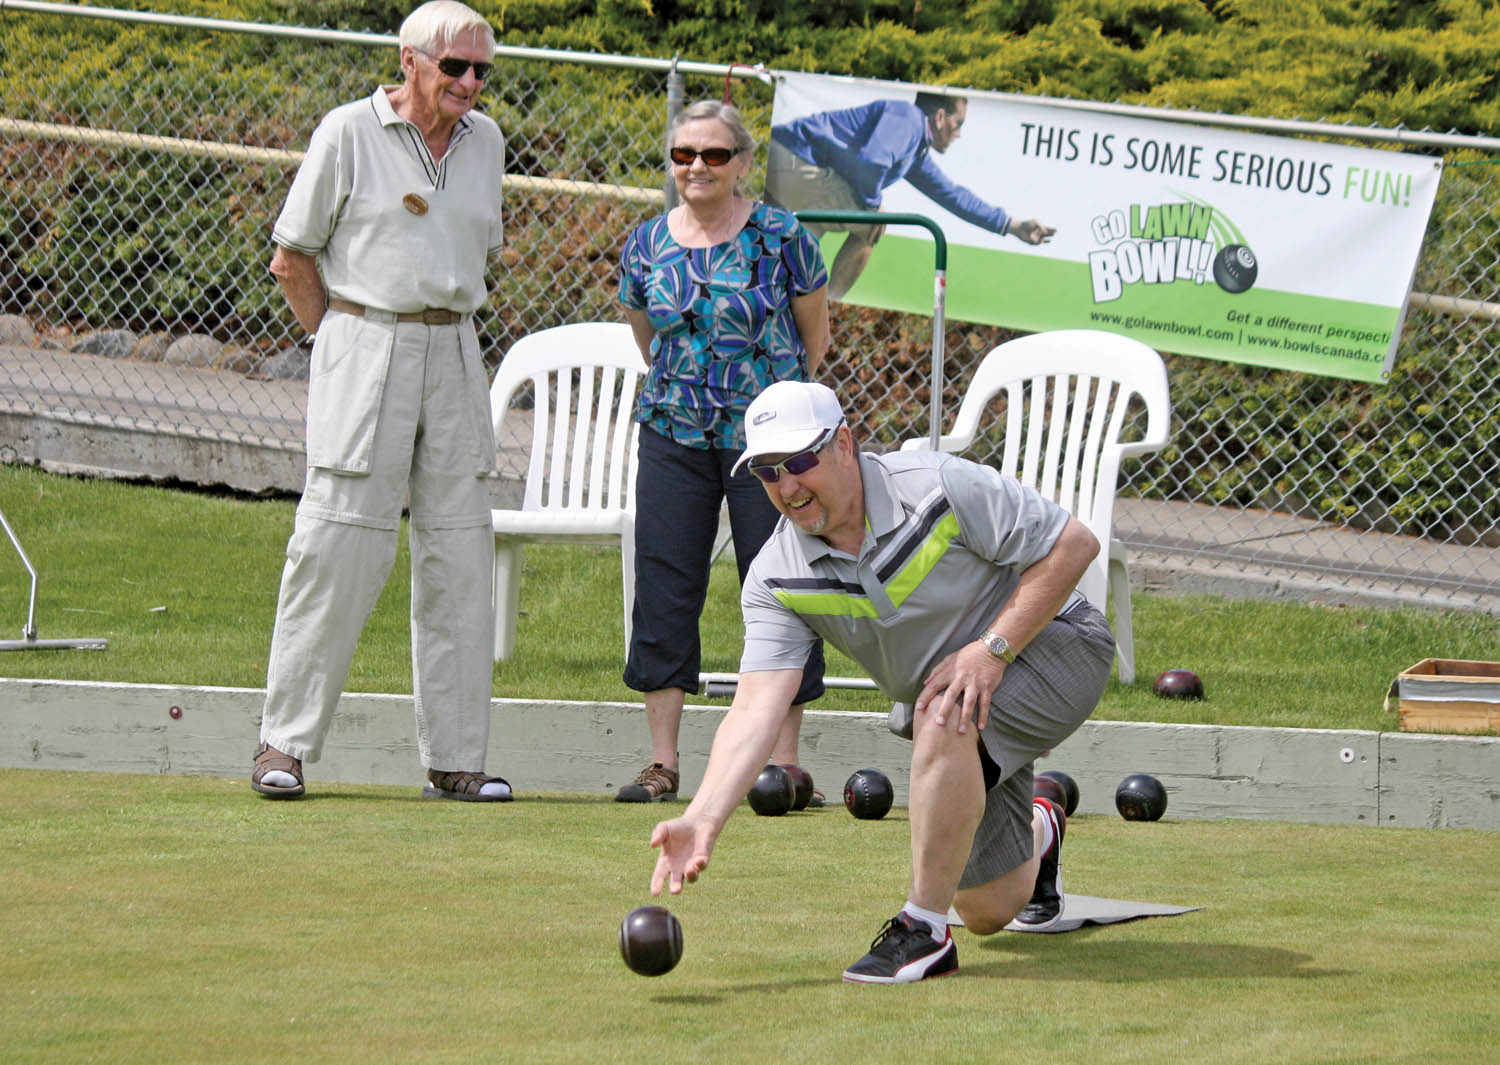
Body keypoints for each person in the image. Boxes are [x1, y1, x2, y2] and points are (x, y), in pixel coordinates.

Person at [647, 380, 1115, 983]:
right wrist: (704, 819)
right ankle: (1041, 824)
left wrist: (991, 651)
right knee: (988, 909)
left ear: (843, 443)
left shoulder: (939, 486)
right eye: (767, 472)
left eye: (799, 461)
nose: (787, 486)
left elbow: (1075, 545)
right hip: (964, 704)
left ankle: (922, 929)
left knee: (941, 713)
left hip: (1056, 648)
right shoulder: (775, 577)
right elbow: (756, 708)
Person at [250, 0, 512, 803]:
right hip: (365, 340)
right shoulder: (346, 132)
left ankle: (456, 759)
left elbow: (482, 250)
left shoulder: (488, 141)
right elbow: (291, 258)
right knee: (336, 544)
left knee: (461, 554)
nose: (469, 82)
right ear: (410, 61)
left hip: (457, 348)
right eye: (453, 67)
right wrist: (342, 340)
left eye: (481, 70)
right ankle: (283, 744)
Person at [613, 99, 830, 804]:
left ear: (742, 163)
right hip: (673, 432)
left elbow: (813, 333)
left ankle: (786, 762)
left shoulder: (780, 235)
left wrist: (778, 406)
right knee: (665, 585)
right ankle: (664, 762)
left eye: (713, 154)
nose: (696, 167)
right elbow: (648, 337)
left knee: (785, 584)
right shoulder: (647, 243)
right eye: (683, 155)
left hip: (769, 446)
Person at [766, 93, 1056, 300]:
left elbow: (952, 195)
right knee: (873, 222)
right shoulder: (908, 118)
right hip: (796, 159)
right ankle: (832, 307)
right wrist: (872, 202)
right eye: (960, 124)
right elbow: (872, 162)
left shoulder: (915, 150)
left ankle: (781, 294)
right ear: (940, 117)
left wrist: (1012, 225)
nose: (959, 134)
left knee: (793, 244)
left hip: (786, 164)